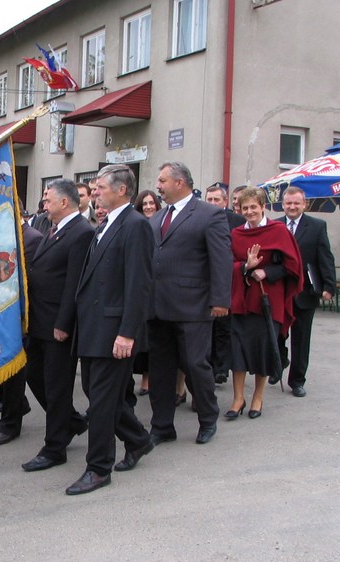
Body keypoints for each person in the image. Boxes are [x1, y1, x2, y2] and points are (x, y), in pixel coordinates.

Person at [69, 165, 154, 495]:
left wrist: (127, 332)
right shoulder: (106, 224)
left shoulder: (136, 225)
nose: (95, 193)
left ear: (121, 190)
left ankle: (98, 468)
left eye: (101, 187)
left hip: (114, 329)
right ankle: (138, 439)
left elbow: (139, 284)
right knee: (97, 392)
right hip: (94, 327)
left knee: (102, 402)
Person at [148, 162, 232, 446]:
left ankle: (208, 418)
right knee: (160, 369)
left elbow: (221, 259)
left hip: (192, 306)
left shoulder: (209, 214)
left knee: (195, 365)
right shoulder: (157, 218)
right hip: (158, 307)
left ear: (179, 182)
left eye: (162, 181)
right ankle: (162, 426)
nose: (158, 186)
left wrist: (220, 299)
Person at [20, 179, 95, 472]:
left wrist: (64, 324)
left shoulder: (81, 232)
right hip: (39, 320)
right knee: (34, 376)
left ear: (64, 202)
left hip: (57, 326)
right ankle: (72, 421)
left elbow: (74, 283)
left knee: (57, 387)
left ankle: (54, 448)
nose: (43, 203)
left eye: (47, 198)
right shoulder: (53, 228)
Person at [228, 187, 303, 419]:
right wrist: (245, 267)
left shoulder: (278, 231)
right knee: (238, 351)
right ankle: (238, 398)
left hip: (267, 299)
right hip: (240, 300)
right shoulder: (236, 234)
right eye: (245, 208)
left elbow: (292, 266)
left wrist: (266, 272)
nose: (249, 211)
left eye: (253, 207)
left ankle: (257, 398)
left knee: (263, 349)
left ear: (263, 207)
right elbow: (227, 263)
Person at [0, 200, 42, 445]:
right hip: (3, 316)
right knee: (7, 370)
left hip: (22, 319)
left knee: (18, 373)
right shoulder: (4, 237)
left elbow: (31, 282)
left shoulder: (31, 238)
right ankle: (16, 408)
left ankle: (11, 423)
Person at [275, 186, 336, 396]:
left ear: (304, 204)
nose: (292, 207)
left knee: (301, 339)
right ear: (283, 205)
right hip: (280, 291)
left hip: (305, 292)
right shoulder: (275, 226)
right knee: (276, 334)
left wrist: (329, 286)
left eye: (296, 203)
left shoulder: (317, 226)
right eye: (288, 203)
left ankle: (297, 381)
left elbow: (325, 257)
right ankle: (279, 361)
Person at [204, 184, 246, 384]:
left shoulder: (237, 221)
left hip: (229, 280)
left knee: (224, 326)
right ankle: (208, 364)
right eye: (209, 200)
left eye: (216, 200)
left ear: (225, 201)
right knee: (207, 327)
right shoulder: (199, 218)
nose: (212, 203)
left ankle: (221, 368)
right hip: (204, 281)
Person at [132, 189, 162, 397]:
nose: (149, 207)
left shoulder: (162, 224)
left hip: (159, 288)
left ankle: (152, 378)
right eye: (145, 204)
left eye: (152, 203)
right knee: (142, 336)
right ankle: (144, 377)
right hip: (143, 288)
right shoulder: (136, 226)